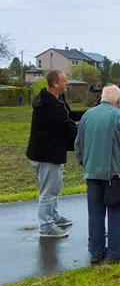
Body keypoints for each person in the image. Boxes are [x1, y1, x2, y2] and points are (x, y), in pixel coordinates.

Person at [75, 85, 120, 265]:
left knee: (95, 213)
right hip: (115, 175)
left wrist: (84, 162)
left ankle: (96, 252)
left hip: (91, 172)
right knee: (117, 212)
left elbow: (78, 144)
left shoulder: (87, 115)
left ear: (102, 98)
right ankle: (114, 253)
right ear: (118, 100)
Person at [26, 70, 86, 238]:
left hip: (52, 152)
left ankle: (53, 216)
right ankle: (46, 226)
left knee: (55, 186)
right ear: (55, 84)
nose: (67, 83)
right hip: (46, 154)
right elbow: (66, 127)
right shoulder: (48, 105)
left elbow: (69, 115)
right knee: (49, 191)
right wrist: (85, 131)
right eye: (64, 80)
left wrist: (89, 114)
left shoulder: (56, 100)